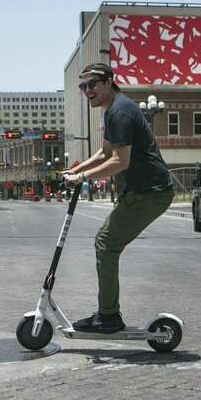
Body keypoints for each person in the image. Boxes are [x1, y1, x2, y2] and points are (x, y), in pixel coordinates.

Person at [61, 63, 174, 333]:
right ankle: (107, 313)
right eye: (83, 86)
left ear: (109, 82)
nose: (87, 90)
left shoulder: (120, 112)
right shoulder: (113, 110)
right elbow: (104, 153)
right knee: (106, 242)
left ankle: (108, 316)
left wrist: (82, 179)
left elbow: (119, 162)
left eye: (93, 84)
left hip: (151, 193)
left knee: (106, 243)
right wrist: (75, 170)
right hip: (142, 192)